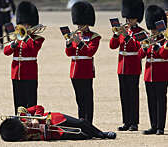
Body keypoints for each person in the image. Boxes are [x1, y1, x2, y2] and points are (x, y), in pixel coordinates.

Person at [4, 1, 45, 115]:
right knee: (18, 102)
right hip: (16, 73)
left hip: (30, 74)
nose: (24, 26)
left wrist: (25, 37)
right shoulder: (16, 37)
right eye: (23, 24)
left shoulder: (37, 38)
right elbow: (6, 52)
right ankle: (19, 122)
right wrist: (13, 43)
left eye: (27, 25)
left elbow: (33, 49)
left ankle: (31, 125)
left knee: (31, 102)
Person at [109, 0, 144, 131]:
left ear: (137, 19)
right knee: (124, 95)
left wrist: (127, 37)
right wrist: (116, 34)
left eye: (132, 18)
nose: (129, 21)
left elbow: (138, 48)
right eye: (128, 18)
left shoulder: (141, 32)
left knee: (133, 95)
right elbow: (113, 46)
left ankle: (134, 122)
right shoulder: (124, 30)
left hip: (133, 66)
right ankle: (126, 122)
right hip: (121, 66)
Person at [65, 1, 101, 124]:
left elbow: (90, 52)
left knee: (87, 99)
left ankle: (88, 122)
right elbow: (69, 53)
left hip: (86, 71)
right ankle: (81, 121)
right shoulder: (75, 35)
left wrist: (79, 43)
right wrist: (69, 43)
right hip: (74, 71)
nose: (80, 27)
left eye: (82, 24)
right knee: (79, 99)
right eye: (79, 24)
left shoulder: (94, 37)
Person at [0, 105, 116, 141]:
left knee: (82, 123)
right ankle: (94, 135)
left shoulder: (22, 116)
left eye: (23, 125)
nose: (26, 127)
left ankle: (102, 134)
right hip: (54, 133)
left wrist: (37, 118)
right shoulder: (22, 135)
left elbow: (39, 107)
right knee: (83, 136)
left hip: (56, 118)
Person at [139, 5, 168, 135]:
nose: (153, 32)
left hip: (161, 73)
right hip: (148, 74)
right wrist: (144, 47)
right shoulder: (149, 38)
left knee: (160, 100)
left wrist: (156, 46)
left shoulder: (165, 40)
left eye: (154, 29)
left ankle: (160, 127)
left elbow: (164, 55)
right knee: (151, 100)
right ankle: (153, 125)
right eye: (151, 29)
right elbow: (140, 55)